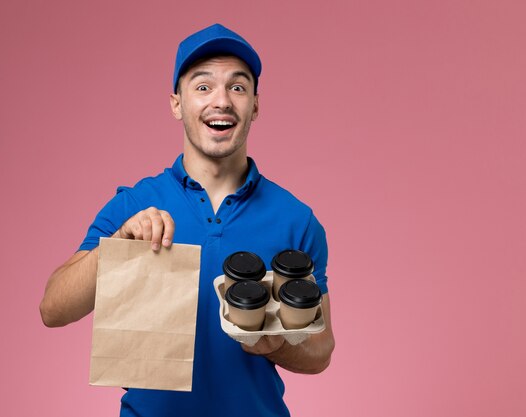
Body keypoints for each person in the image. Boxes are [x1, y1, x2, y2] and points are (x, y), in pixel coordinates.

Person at [39, 23, 335, 416]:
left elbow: (320, 352)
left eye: (238, 87)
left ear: (256, 106)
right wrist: (117, 248)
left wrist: (276, 344)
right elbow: (52, 309)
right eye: (202, 86)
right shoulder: (134, 206)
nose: (222, 101)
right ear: (176, 103)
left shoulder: (296, 221)